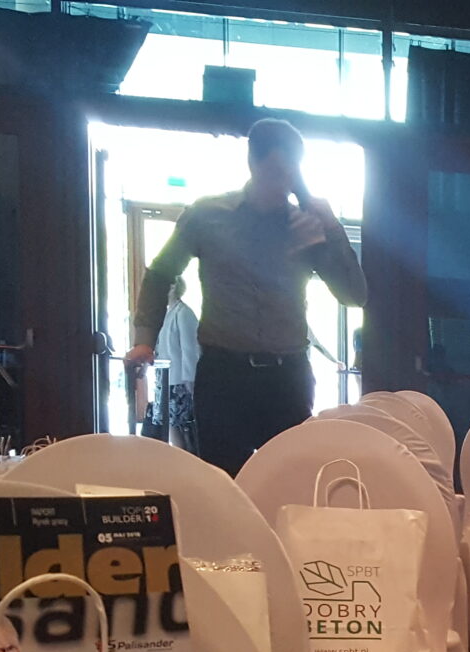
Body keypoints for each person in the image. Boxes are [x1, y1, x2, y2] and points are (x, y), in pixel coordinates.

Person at [125, 118, 365, 475]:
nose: (283, 184)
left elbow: (354, 295)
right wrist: (145, 339)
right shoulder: (207, 215)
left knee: (289, 481)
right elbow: (161, 273)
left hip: (288, 377)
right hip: (224, 375)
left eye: (291, 174)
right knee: (222, 483)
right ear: (253, 163)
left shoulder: (307, 225)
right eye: (276, 172)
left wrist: (331, 227)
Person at [153, 272, 201, 455]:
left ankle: (183, 459)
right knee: (170, 425)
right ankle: (177, 457)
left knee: (181, 427)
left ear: (173, 287)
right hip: (165, 378)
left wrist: (190, 379)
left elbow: (190, 350)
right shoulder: (167, 313)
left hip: (179, 380)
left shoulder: (184, 313)